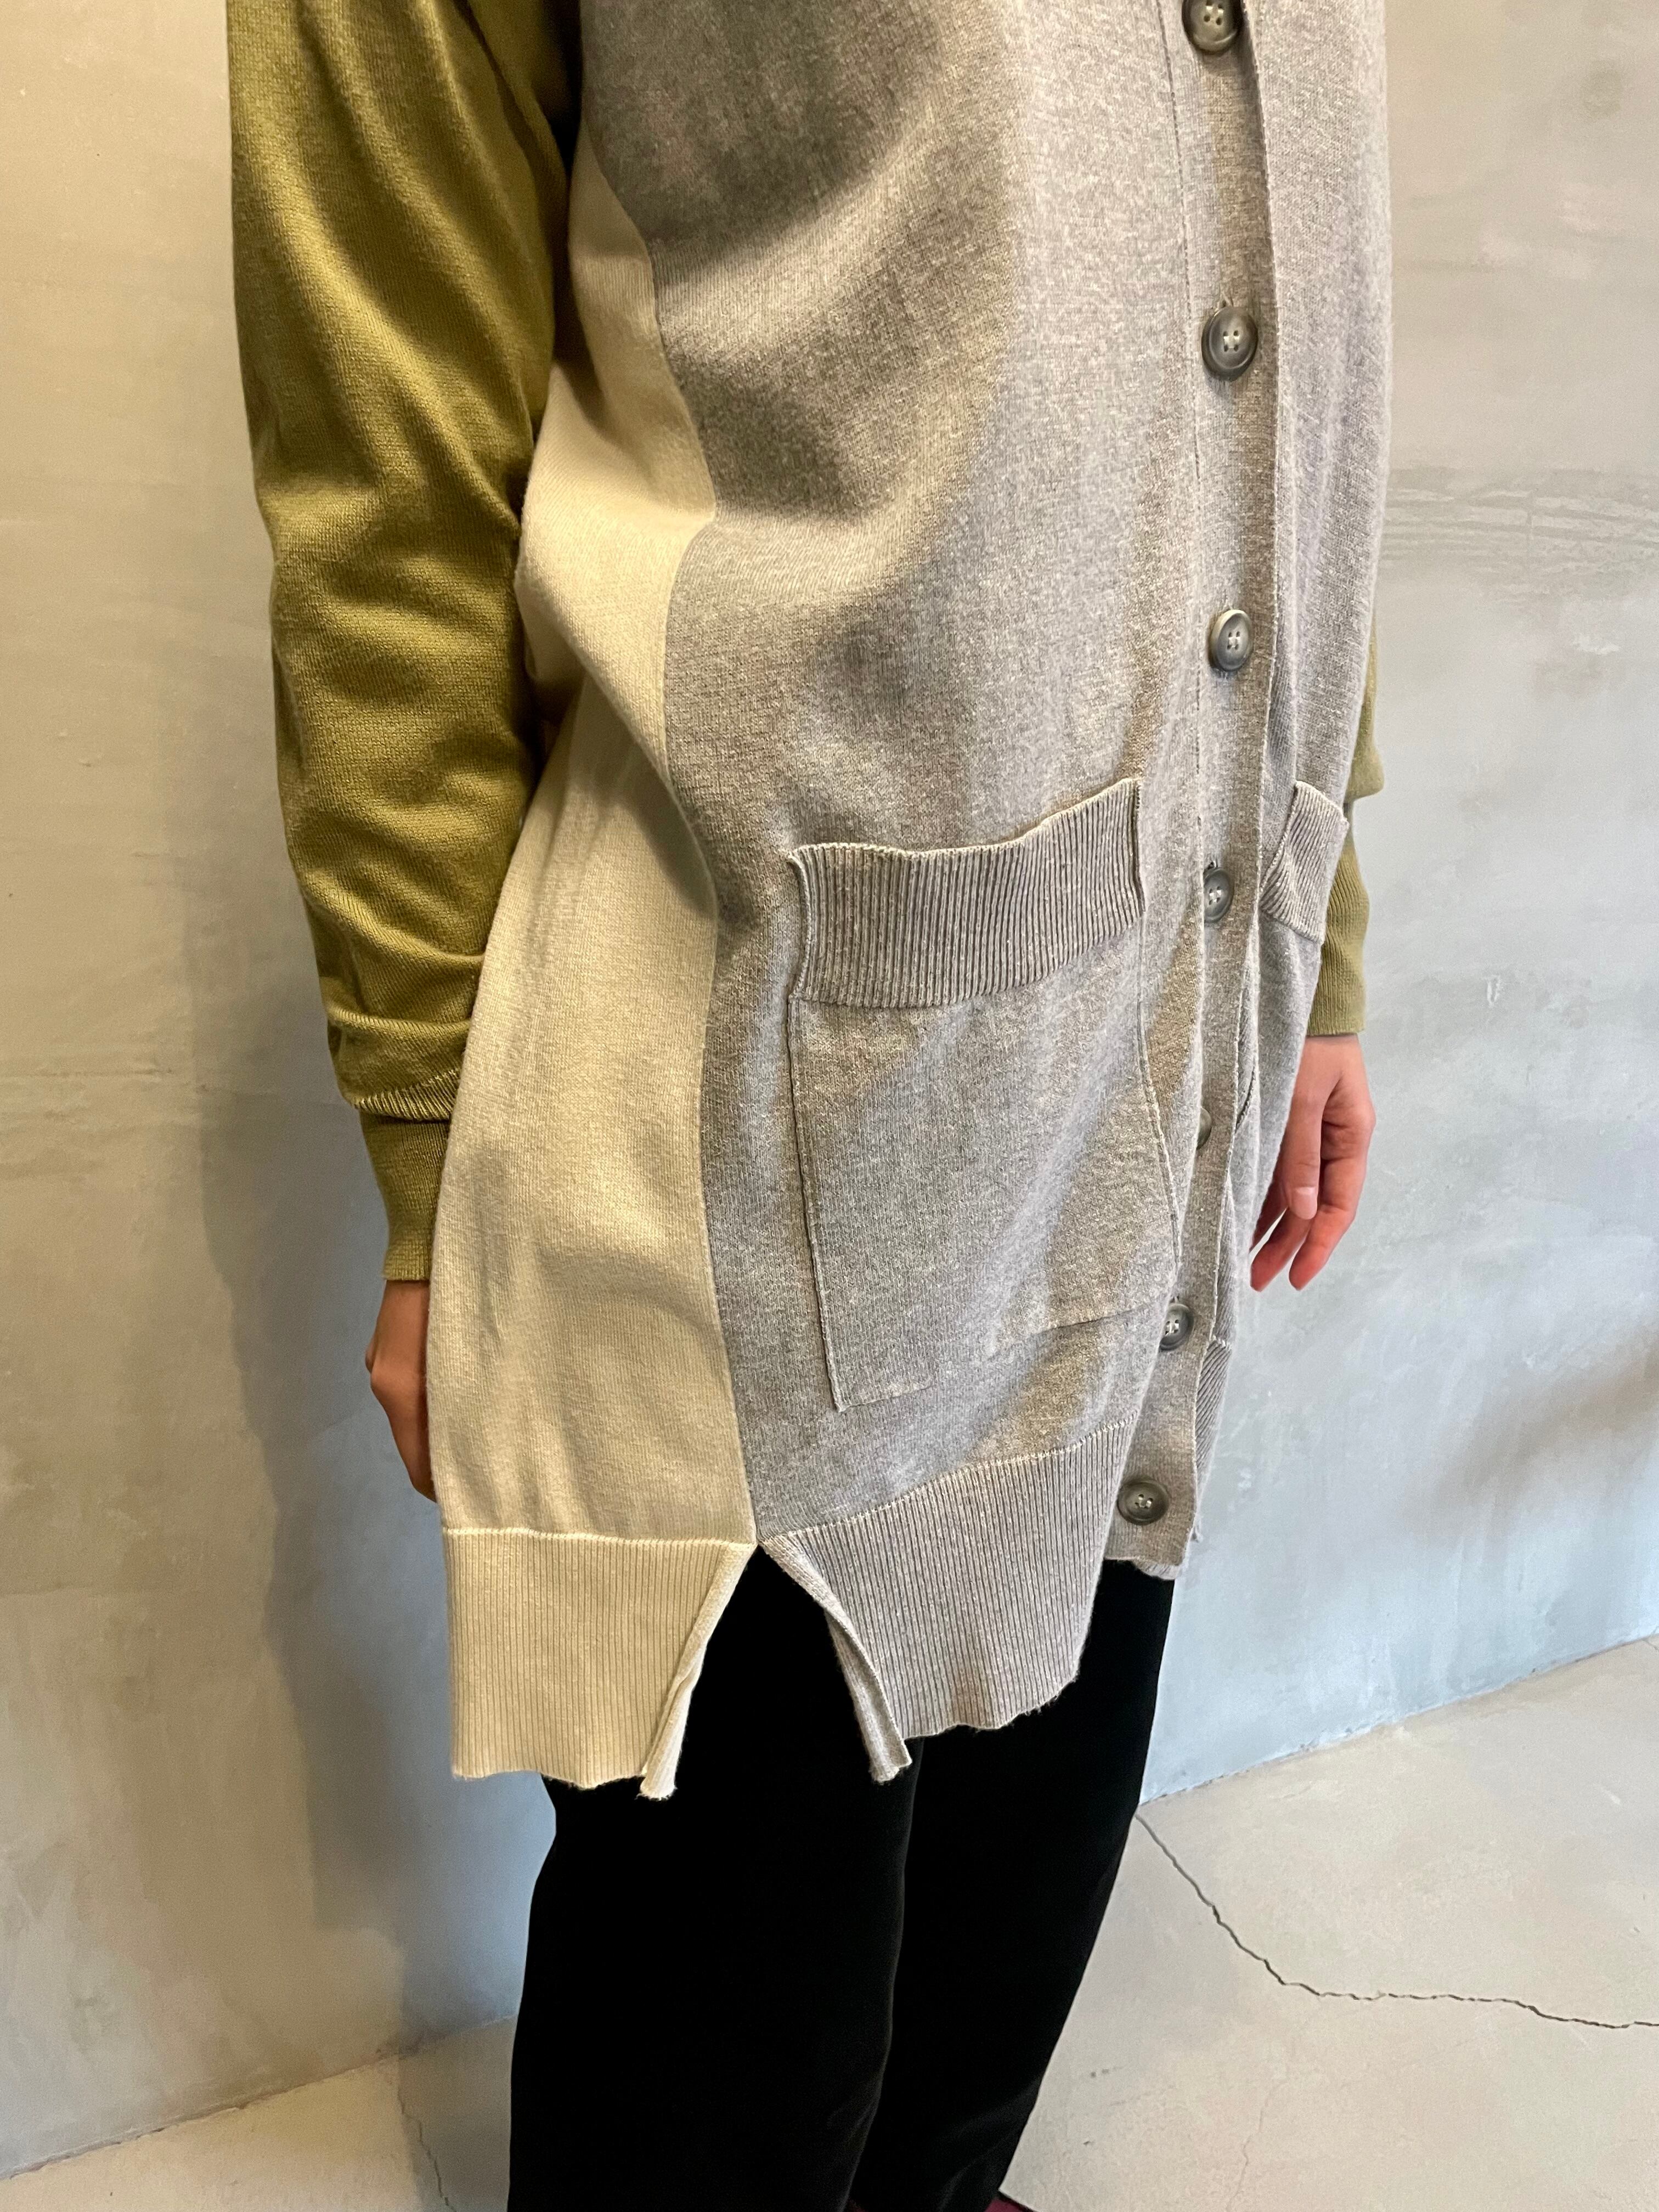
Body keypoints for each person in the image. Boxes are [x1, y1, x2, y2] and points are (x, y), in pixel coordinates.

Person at [227, 0, 1388, 2203]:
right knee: (735, 2035)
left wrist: (1312, 928)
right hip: (732, 1116)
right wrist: (429, 1151)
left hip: (1163, 1019)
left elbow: (1282, 334)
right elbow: (390, 501)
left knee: (1011, 1908)